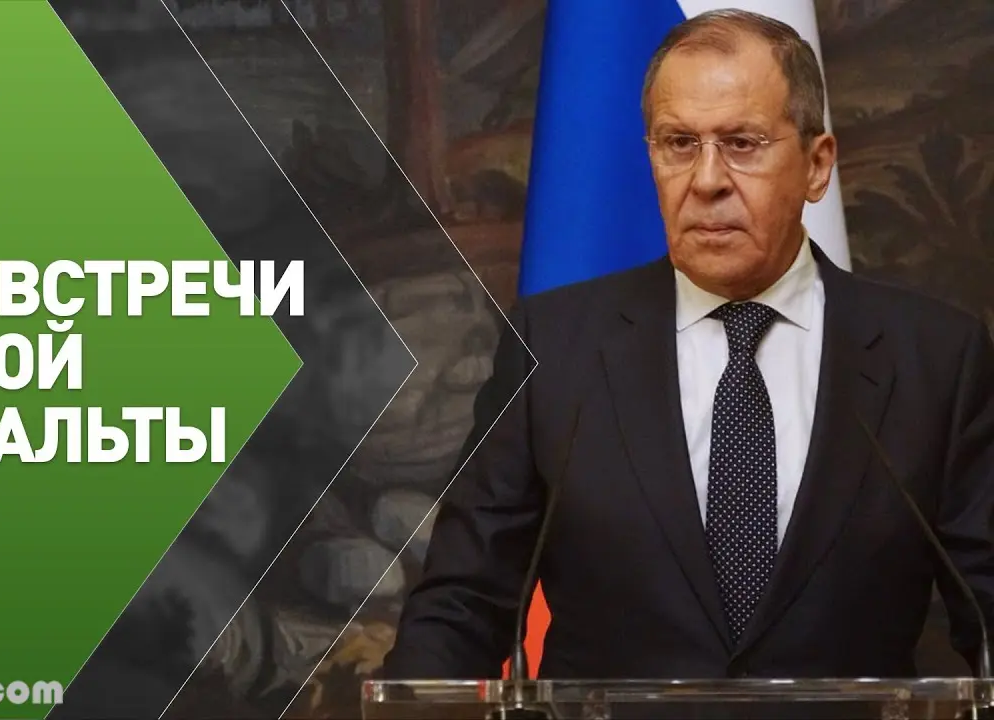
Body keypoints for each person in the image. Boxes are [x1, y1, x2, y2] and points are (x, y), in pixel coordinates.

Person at [382, 9, 994, 682]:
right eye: (678, 143)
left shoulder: (935, 359)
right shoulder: (555, 347)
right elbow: (462, 606)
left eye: (742, 143)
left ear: (817, 165)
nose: (706, 181)